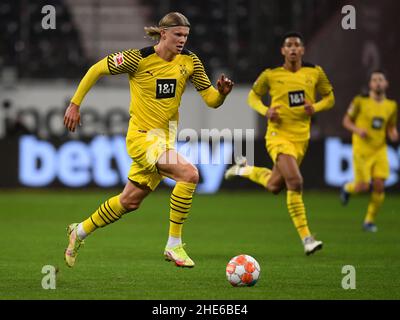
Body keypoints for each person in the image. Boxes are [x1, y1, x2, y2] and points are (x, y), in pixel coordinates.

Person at [63, 12, 233, 268]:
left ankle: (80, 230)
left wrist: (221, 94)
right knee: (189, 174)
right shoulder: (137, 58)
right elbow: (96, 68)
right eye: (177, 34)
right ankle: (174, 245)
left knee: (129, 201)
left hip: (165, 141)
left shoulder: (190, 61)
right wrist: (75, 104)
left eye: (185, 36)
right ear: (163, 34)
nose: (182, 40)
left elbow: (210, 100)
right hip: (142, 138)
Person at [225, 31, 334, 255]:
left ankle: (244, 169)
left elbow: (330, 98)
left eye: (297, 45)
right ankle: (307, 238)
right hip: (278, 136)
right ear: (283, 51)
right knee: (295, 181)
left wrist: (316, 108)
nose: (293, 48)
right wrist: (266, 111)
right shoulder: (271, 75)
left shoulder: (315, 72)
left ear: (302, 50)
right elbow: (252, 97)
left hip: (302, 139)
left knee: (275, 185)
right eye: (288, 45)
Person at [340, 70, 398, 232]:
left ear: (386, 84)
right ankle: (347, 188)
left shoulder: (391, 106)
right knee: (362, 187)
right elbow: (346, 121)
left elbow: (391, 126)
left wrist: (393, 133)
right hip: (362, 150)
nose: (378, 82)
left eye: (381, 79)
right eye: (375, 80)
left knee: (379, 185)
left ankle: (369, 221)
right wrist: (358, 130)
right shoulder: (360, 101)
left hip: (380, 149)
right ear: (370, 84)